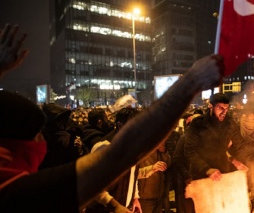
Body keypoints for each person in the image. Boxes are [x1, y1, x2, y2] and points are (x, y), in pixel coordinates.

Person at [0, 54, 224, 212]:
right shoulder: (19, 196)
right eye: (39, 133)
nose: (44, 139)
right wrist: (190, 82)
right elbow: (121, 154)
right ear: (21, 143)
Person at [85, 107, 142, 213]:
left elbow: (133, 175)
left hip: (124, 207)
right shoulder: (104, 147)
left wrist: (135, 198)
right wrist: (114, 205)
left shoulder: (131, 147)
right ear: (120, 125)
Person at [184, 93, 235, 181]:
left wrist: (235, 160)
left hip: (222, 174)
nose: (224, 112)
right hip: (201, 176)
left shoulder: (229, 123)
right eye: (221, 108)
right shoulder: (198, 123)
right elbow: (189, 150)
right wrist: (206, 169)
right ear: (211, 106)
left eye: (226, 108)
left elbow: (232, 145)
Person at [137, 141, 171, 213]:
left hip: (158, 193)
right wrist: (152, 168)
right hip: (144, 196)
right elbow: (133, 173)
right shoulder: (138, 145)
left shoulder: (158, 145)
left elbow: (167, 164)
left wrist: (163, 151)